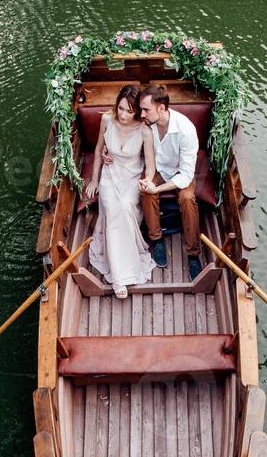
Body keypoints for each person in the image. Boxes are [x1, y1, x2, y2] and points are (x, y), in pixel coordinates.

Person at [82, 85, 158, 298]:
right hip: (109, 174)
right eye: (121, 108)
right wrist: (94, 180)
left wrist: (147, 181)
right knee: (112, 205)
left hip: (131, 177)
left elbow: (150, 166)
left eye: (129, 110)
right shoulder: (107, 120)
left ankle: (125, 267)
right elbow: (98, 149)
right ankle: (119, 278)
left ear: (137, 111)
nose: (123, 114)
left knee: (125, 206)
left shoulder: (145, 131)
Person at [137, 86, 203, 279]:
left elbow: (185, 175)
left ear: (161, 108)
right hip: (158, 169)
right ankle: (156, 240)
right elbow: (150, 162)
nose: (142, 114)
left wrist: (157, 188)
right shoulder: (148, 125)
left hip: (182, 173)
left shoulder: (186, 130)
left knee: (187, 199)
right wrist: (149, 182)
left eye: (145, 109)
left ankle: (193, 254)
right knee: (146, 193)